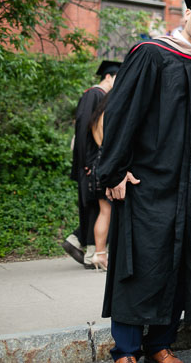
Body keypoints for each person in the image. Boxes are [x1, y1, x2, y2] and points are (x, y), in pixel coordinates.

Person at [96, 0, 191, 363]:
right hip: (147, 182)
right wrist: (115, 171)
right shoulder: (150, 53)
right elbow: (122, 113)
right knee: (138, 264)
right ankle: (126, 349)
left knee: (178, 262)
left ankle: (160, 344)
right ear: (186, 14)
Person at [62, 60, 120, 268]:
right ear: (108, 76)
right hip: (92, 162)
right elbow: (82, 132)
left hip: (94, 161)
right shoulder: (94, 95)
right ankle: (94, 252)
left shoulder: (102, 98)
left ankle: (79, 242)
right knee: (99, 209)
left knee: (98, 209)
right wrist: (85, 161)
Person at [88, 92, 113, 271]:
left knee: (104, 211)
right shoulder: (109, 115)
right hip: (107, 162)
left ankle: (99, 253)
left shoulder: (97, 117)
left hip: (97, 161)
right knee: (107, 212)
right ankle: (101, 254)